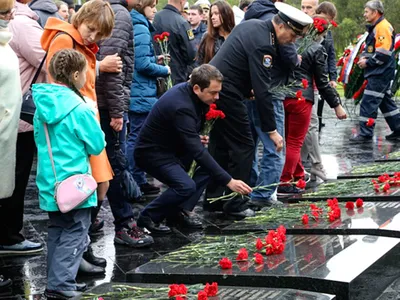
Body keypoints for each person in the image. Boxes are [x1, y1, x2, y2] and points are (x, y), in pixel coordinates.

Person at [204, 2, 312, 217]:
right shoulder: (265, 44)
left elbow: (240, 67)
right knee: (244, 146)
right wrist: (271, 130)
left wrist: (247, 89)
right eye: (293, 36)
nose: (292, 42)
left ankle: (214, 199)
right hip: (227, 94)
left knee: (220, 147)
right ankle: (235, 204)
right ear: (281, 26)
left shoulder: (253, 24)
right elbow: (263, 91)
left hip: (217, 90)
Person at [41, 0, 115, 274]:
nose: (92, 37)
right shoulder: (64, 39)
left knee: (100, 184)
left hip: (85, 119)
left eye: (99, 35)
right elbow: (58, 85)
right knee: (90, 187)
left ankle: (80, 248)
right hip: (78, 124)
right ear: (81, 18)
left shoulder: (73, 38)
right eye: (91, 29)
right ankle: (76, 254)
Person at [135, 65, 252, 234]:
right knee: (185, 186)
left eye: (218, 92)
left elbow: (187, 134)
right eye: (213, 93)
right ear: (197, 88)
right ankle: (148, 216)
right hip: (152, 154)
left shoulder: (193, 95)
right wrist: (229, 181)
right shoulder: (182, 106)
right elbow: (197, 151)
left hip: (172, 148)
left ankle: (177, 213)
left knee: (208, 168)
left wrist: (194, 136)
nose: (217, 97)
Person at [33, 49, 106, 300]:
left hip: (50, 181)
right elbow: (96, 145)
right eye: (86, 72)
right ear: (76, 74)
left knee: (57, 230)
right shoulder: (79, 108)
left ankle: (57, 279)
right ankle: (61, 284)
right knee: (75, 231)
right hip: (76, 185)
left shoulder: (42, 106)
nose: (87, 76)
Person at [277, 15, 347, 194]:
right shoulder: (316, 49)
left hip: (283, 96)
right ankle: (285, 181)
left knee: (288, 140)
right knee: (295, 142)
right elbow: (322, 83)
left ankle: (299, 175)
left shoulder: (287, 43)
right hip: (302, 98)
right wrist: (337, 105)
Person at [0, 0, 46, 255]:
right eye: (5, 12)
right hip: (12, 124)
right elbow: (50, 60)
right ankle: (9, 236)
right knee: (12, 181)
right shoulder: (22, 24)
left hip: (11, 121)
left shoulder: (11, 29)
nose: (10, 15)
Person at [243, 0, 299, 208]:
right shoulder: (277, 23)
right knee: (274, 145)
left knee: (250, 144)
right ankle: (264, 194)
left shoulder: (251, 17)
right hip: (271, 89)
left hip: (248, 92)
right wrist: (296, 60)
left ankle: (250, 187)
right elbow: (289, 55)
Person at [126, 0, 171, 201]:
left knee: (137, 134)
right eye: (152, 5)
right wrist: (164, 69)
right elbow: (142, 64)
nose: (155, 10)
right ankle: (134, 180)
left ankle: (137, 178)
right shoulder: (141, 28)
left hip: (138, 90)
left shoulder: (137, 25)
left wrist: (156, 60)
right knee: (137, 136)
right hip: (141, 92)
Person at [351, 0, 400, 142]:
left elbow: (383, 54)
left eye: (366, 11)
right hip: (380, 72)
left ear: (375, 12)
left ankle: (365, 134)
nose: (364, 14)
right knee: (385, 102)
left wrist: (367, 62)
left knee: (368, 102)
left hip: (380, 73)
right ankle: (398, 128)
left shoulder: (382, 27)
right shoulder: (378, 26)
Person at [153, 0, 196, 84]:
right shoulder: (182, 23)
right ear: (182, 1)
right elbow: (191, 54)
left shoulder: (155, 18)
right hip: (176, 76)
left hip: (155, 73)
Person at [315, 1, 338, 132]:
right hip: (313, 72)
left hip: (323, 72)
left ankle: (319, 119)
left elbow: (331, 55)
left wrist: (333, 77)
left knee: (322, 98)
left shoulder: (328, 33)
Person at [196, 0, 234, 65]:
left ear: (226, 14)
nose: (212, 17)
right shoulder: (207, 37)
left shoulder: (235, 36)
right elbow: (200, 62)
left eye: (216, 13)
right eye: (211, 14)